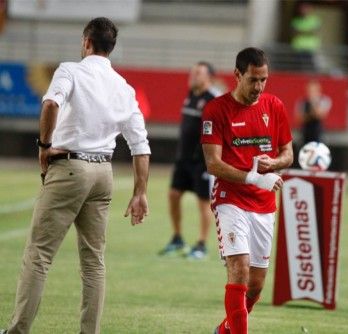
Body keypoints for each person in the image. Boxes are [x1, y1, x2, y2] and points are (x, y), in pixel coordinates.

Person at [0, 17, 151, 334]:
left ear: (86, 42)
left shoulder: (71, 70)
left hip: (70, 168)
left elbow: (51, 104)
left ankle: (18, 330)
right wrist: (140, 193)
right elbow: (141, 146)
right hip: (103, 173)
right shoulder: (124, 88)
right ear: (111, 48)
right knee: (94, 262)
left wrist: (44, 145)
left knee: (39, 255)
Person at [201, 47, 293, 334]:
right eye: (253, 80)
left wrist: (274, 163)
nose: (259, 87)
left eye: (263, 80)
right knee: (238, 267)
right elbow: (213, 164)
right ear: (237, 75)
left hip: (264, 204)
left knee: (256, 285)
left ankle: (225, 329)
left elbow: (288, 153)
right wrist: (253, 178)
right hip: (231, 199)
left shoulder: (274, 106)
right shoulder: (216, 110)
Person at [158, 61, 220, 259]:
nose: (193, 76)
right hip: (183, 159)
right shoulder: (191, 95)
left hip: (203, 161)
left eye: (198, 73)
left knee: (204, 202)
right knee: (174, 195)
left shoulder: (214, 100)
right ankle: (177, 238)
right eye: (193, 72)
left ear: (209, 77)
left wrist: (214, 159)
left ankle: (201, 245)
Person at [295, 79, 331, 145]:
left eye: (313, 90)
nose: (311, 92)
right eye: (310, 90)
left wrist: (313, 102)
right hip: (305, 134)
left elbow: (320, 115)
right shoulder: (302, 102)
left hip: (318, 135)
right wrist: (310, 115)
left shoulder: (324, 100)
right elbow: (299, 118)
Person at [290, 1, 321, 72]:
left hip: (311, 48)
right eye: (302, 8)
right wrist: (308, 31)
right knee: (298, 69)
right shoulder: (296, 21)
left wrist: (301, 31)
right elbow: (294, 32)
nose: (303, 10)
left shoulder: (315, 20)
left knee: (309, 69)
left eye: (305, 8)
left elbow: (314, 31)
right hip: (298, 48)